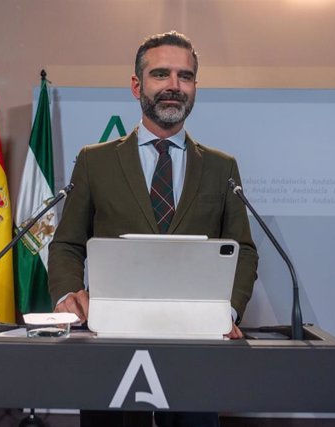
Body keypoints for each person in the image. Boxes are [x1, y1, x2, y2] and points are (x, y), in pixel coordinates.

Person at [47, 31, 259, 427]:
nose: (174, 87)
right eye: (161, 74)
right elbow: (67, 244)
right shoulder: (95, 161)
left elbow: (243, 249)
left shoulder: (221, 167)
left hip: (199, 344)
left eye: (186, 76)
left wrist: (225, 311)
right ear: (136, 85)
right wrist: (66, 296)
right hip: (109, 339)